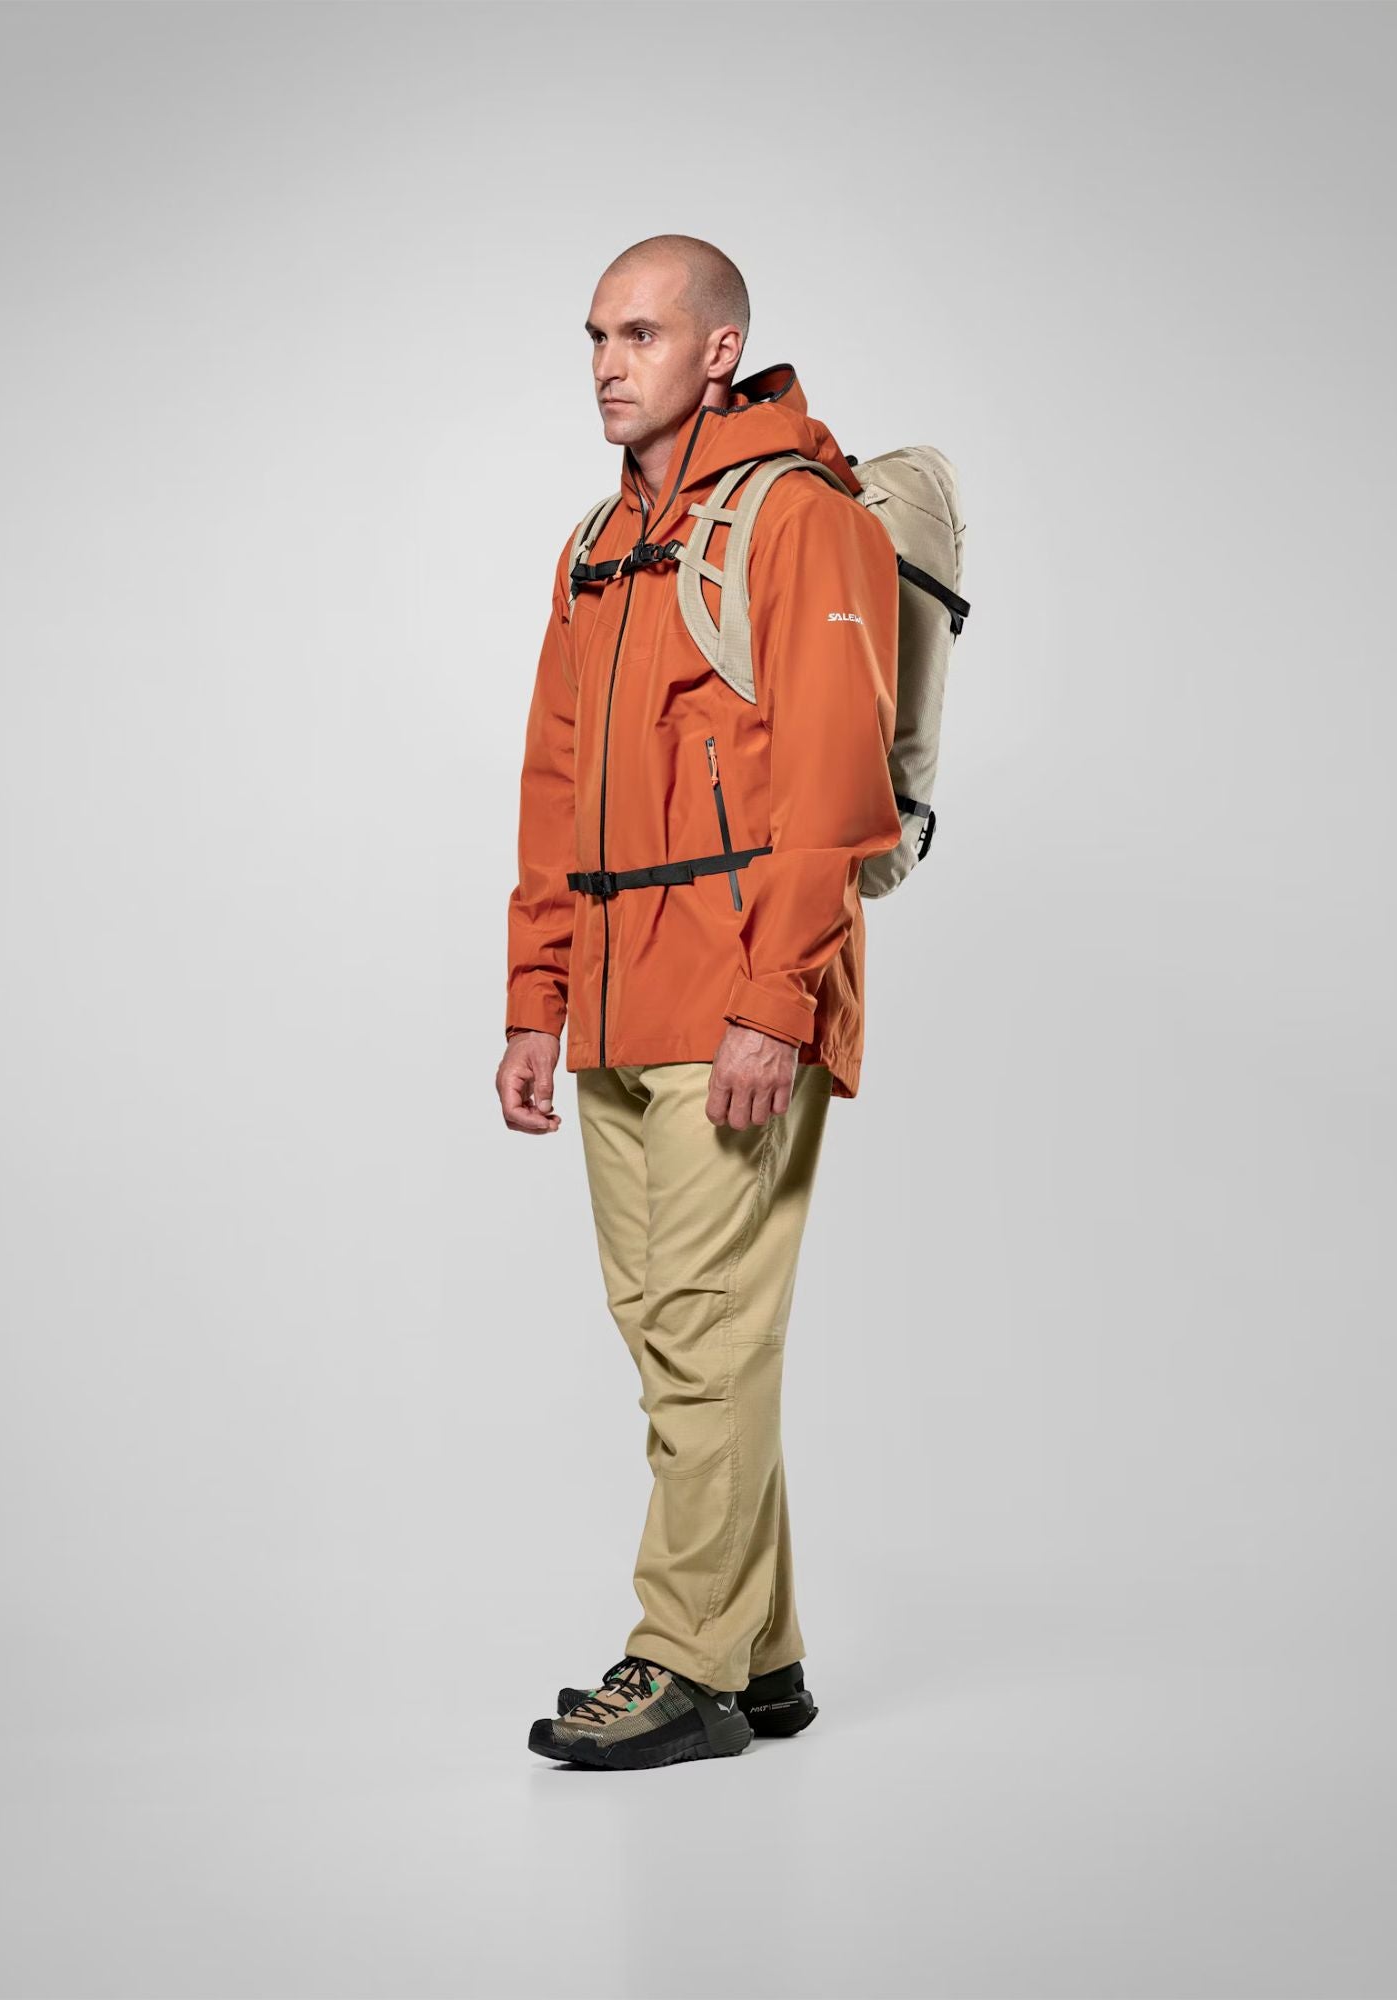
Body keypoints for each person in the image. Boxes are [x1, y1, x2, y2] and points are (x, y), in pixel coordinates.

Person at [496, 234, 903, 1772]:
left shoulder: (803, 521)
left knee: (705, 1331)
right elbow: (553, 788)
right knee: (676, 1338)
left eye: (643, 334)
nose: (610, 364)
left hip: (737, 992)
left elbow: (836, 787)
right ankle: (766, 1656)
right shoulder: (598, 543)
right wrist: (536, 997)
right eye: (597, 336)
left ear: (718, 350)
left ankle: (680, 1661)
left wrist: (775, 1002)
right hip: (613, 1005)